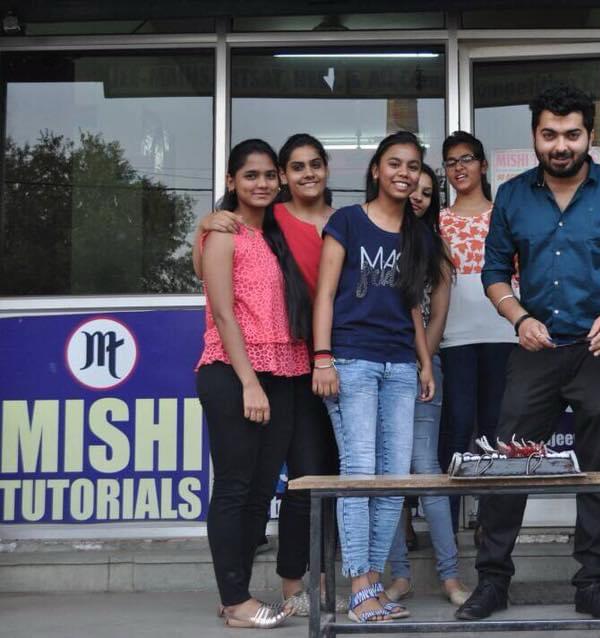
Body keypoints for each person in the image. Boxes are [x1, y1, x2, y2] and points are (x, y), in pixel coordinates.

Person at [455, 85, 600, 622]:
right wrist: (519, 318)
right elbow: (495, 272)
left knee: (598, 472)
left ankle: (592, 584)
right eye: (549, 134)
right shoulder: (513, 196)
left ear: (589, 135)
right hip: (536, 349)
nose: (560, 145)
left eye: (571, 134)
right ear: (535, 136)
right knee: (508, 466)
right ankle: (492, 581)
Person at [193, 133, 339, 617]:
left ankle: (242, 597)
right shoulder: (224, 234)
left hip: (285, 370)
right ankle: (235, 600)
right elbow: (223, 313)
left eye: (268, 175)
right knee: (234, 487)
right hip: (234, 373)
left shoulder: (273, 233)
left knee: (260, 491)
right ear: (231, 181)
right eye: (250, 175)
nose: (261, 183)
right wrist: (250, 382)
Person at [312, 131, 439, 624]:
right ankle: (360, 587)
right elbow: (325, 294)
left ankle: (373, 582)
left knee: (393, 480)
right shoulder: (347, 221)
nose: (404, 173)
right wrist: (323, 358)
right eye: (395, 164)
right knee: (361, 472)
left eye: (413, 166)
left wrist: (424, 361)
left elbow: (412, 307)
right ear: (376, 170)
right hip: (352, 362)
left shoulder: (418, 235)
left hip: (401, 365)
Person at [383, 165, 470, 607]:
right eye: (412, 188)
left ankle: (450, 576)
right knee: (389, 473)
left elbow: (437, 314)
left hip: (422, 366)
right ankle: (399, 576)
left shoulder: (434, 245)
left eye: (426, 191)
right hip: (377, 364)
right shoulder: (374, 236)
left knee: (425, 467)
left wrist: (423, 363)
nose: (417, 196)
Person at [436, 131, 517, 533]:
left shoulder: (505, 215)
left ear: (483, 166)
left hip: (503, 333)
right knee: (456, 424)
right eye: (451, 162)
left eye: (466, 159)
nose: (459, 168)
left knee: (494, 428)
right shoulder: (437, 221)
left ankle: (491, 523)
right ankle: (447, 526)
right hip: (454, 336)